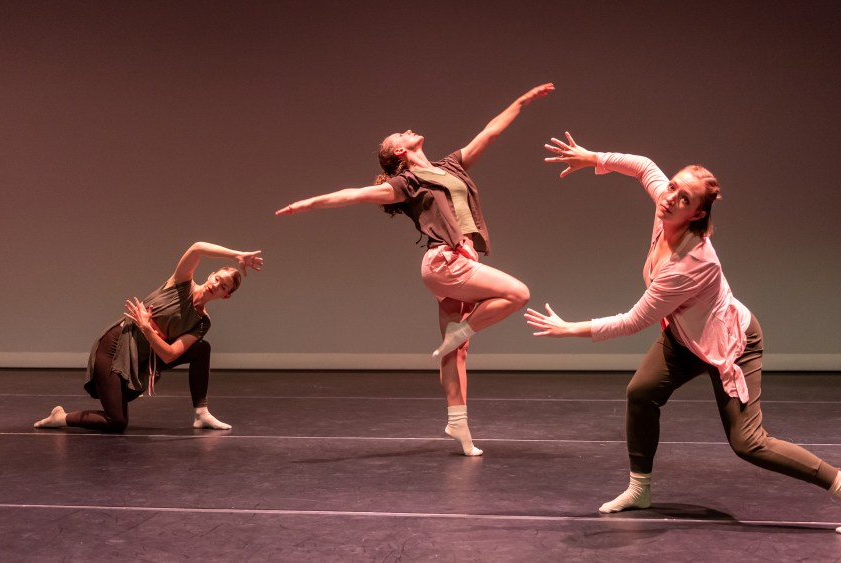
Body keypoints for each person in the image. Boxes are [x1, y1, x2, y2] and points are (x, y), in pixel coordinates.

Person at [525, 132, 841, 536]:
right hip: (686, 335)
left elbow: (633, 320)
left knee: (748, 442)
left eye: (684, 199)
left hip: (730, 344)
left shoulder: (691, 263)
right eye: (673, 188)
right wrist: (593, 157)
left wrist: (569, 329)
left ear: (696, 214)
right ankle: (639, 489)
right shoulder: (665, 207)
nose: (671, 197)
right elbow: (643, 166)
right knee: (641, 392)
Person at [276, 83, 554, 456]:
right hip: (445, 262)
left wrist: (520, 102)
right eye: (401, 134)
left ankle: (458, 425)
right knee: (518, 294)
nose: (408, 130)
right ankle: (461, 331)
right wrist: (308, 203)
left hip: (458, 261)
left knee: (455, 353)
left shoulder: (449, 166)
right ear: (399, 151)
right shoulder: (406, 184)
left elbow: (489, 133)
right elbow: (354, 195)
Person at [34, 242, 263, 433]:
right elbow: (197, 248)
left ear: (226, 296)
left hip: (145, 357)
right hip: (116, 347)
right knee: (117, 422)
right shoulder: (181, 283)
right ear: (211, 275)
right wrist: (237, 255)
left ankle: (201, 413)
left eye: (223, 287)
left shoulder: (202, 322)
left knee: (202, 349)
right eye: (218, 279)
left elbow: (170, 354)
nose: (216, 285)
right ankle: (60, 417)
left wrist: (147, 328)